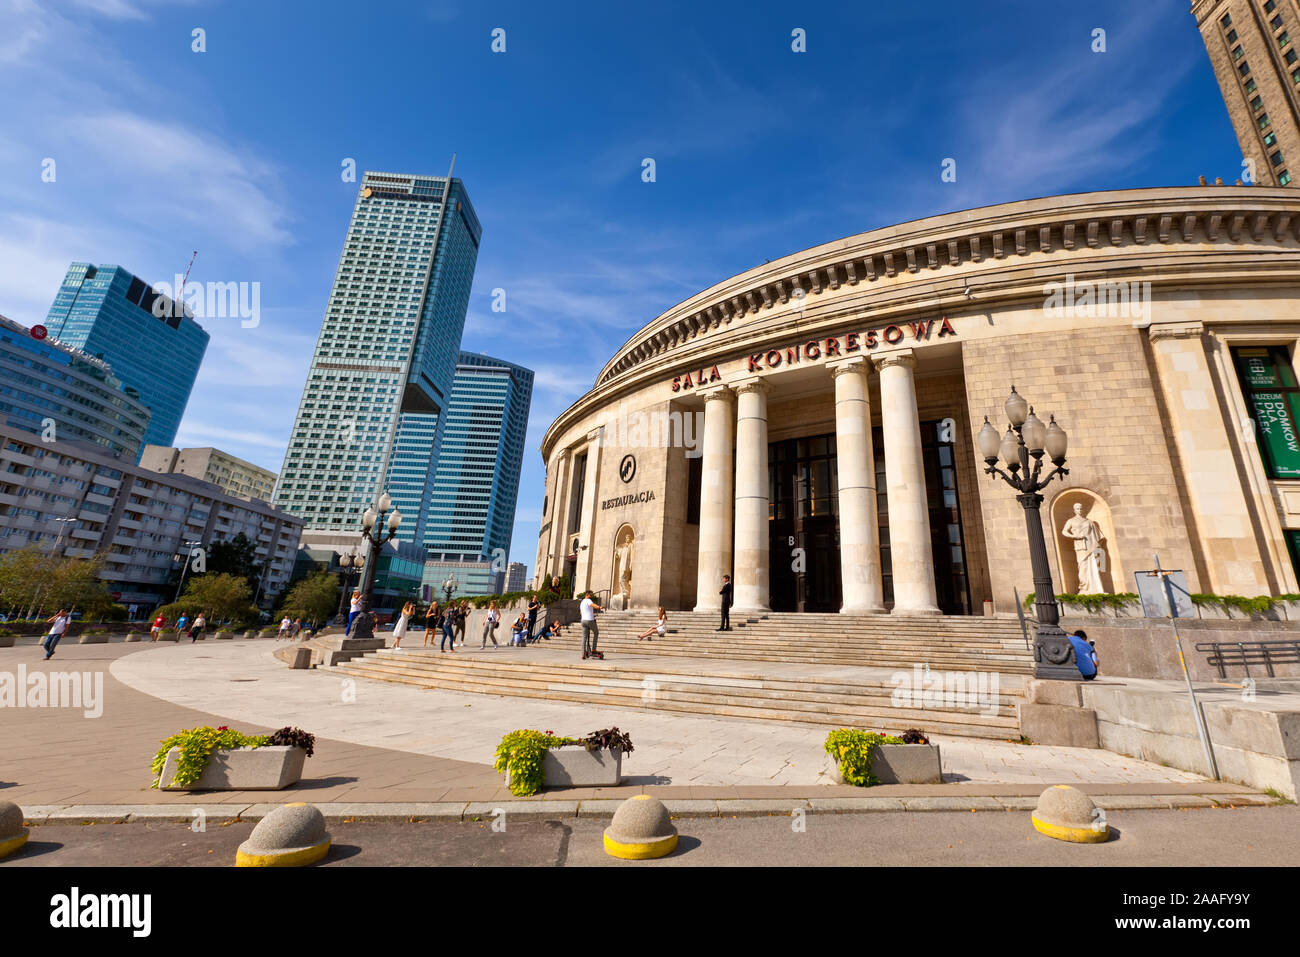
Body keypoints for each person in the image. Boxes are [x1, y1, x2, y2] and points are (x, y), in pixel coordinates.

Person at [580, 591, 603, 659]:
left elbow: (581, 612)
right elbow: (592, 605)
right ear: (587, 595)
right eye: (590, 595)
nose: (591, 597)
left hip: (583, 620)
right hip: (589, 620)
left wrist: (584, 617)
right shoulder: (588, 600)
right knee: (596, 632)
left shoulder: (582, 602)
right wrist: (599, 607)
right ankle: (593, 649)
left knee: (584, 637)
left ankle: (583, 654)